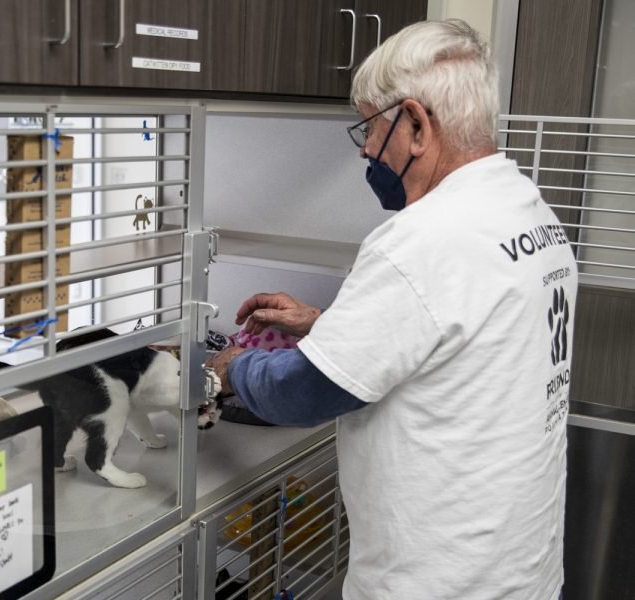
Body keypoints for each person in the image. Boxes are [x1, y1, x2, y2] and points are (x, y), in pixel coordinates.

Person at [205, 19, 576, 600]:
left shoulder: (423, 239)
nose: (365, 150)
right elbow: (464, 348)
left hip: (440, 580)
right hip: (520, 568)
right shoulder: (527, 211)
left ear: (417, 125)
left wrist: (230, 368)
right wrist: (327, 326)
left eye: (371, 129)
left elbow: (304, 393)